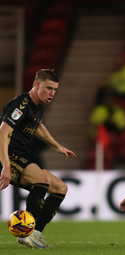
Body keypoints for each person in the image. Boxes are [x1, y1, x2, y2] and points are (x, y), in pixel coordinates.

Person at [0, 69, 76, 249]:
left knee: (60, 188)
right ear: (36, 85)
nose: (52, 93)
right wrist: (6, 166)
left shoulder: (37, 106)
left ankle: (35, 234)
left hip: (21, 157)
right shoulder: (20, 104)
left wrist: (57, 146)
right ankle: (26, 234)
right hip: (10, 156)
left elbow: (38, 126)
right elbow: (2, 133)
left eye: (55, 89)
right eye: (49, 88)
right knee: (43, 179)